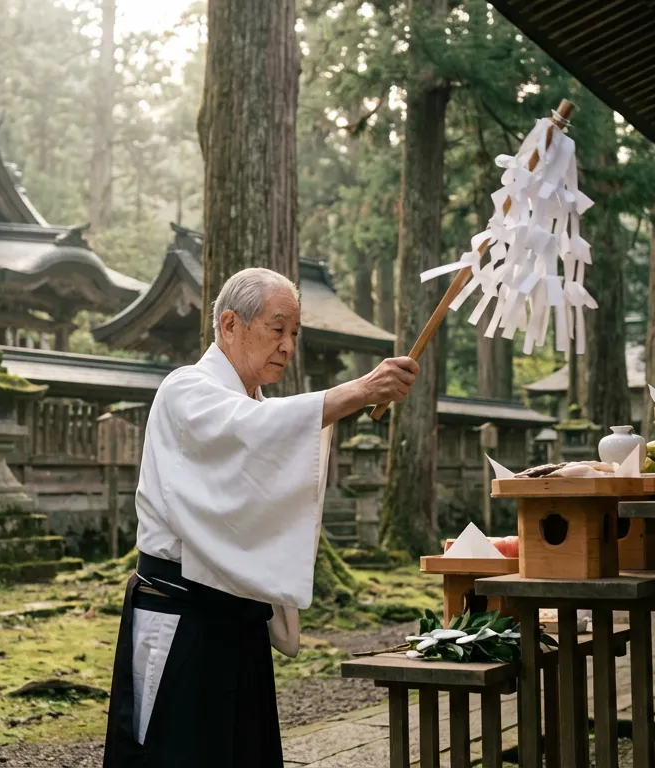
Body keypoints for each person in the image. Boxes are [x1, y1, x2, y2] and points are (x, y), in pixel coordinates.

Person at [102, 267, 419, 767]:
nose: (288, 346)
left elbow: (269, 453)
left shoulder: (257, 407)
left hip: (239, 619)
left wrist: (356, 395)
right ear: (230, 324)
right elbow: (256, 430)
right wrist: (359, 391)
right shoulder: (187, 390)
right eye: (277, 329)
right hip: (182, 619)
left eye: (294, 333)